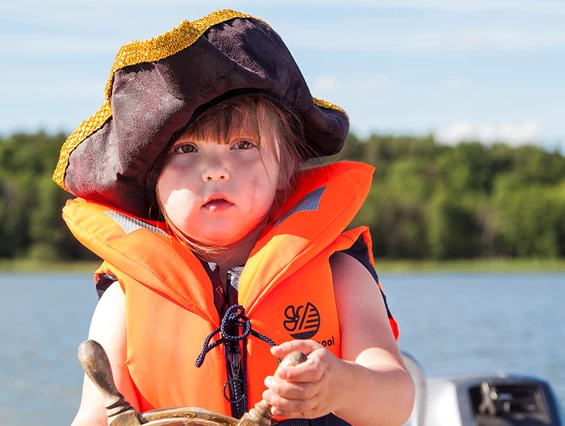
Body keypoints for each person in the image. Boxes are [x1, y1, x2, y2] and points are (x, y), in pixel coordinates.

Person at [54, 9, 415, 426]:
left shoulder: (340, 275)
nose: (215, 170)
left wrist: (342, 385)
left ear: (283, 169)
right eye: (186, 151)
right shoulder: (125, 301)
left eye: (243, 144)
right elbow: (94, 417)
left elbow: (397, 400)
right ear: (152, 182)